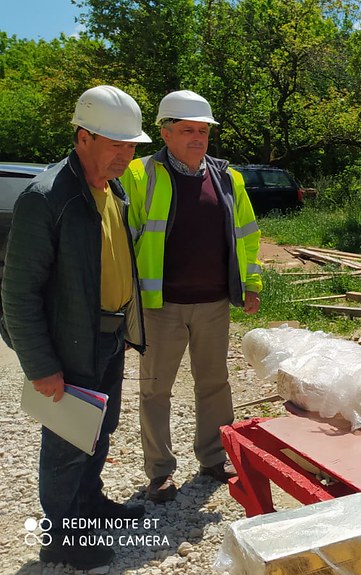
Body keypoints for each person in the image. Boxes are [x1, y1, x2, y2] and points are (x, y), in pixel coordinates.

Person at [1, 85, 151, 570]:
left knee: (99, 433)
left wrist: (125, 329)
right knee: (65, 447)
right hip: (68, 346)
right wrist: (41, 366)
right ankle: (62, 539)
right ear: (83, 137)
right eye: (117, 145)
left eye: (132, 146)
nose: (126, 156)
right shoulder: (46, 198)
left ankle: (91, 508)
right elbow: (17, 294)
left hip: (107, 339)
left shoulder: (114, 188)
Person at [120, 90, 262, 502]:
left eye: (202, 130)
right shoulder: (138, 174)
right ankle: (160, 471)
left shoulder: (227, 178)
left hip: (214, 304)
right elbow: (121, 241)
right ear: (165, 133)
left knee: (214, 383)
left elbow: (248, 237)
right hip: (159, 306)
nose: (197, 138)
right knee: (155, 388)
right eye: (187, 130)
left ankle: (214, 458)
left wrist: (251, 285)